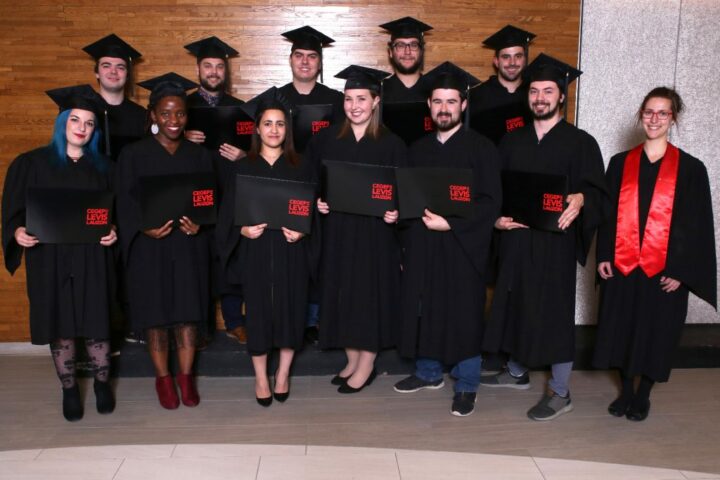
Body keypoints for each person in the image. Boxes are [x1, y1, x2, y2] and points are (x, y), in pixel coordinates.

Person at [481, 54, 608, 421]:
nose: (540, 98)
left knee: (553, 313)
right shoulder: (511, 141)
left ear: (561, 96)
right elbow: (495, 191)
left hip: (555, 243)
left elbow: (599, 193)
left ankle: (560, 391)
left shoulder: (581, 143)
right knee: (516, 303)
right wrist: (496, 220)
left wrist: (582, 198)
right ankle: (516, 371)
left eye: (548, 91)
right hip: (517, 240)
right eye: (534, 91)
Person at [593, 87, 716, 421]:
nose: (654, 119)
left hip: (664, 271)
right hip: (623, 265)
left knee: (656, 333)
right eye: (649, 111)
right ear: (641, 114)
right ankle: (626, 392)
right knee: (622, 328)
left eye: (663, 113)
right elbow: (607, 214)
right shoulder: (620, 164)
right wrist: (604, 254)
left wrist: (681, 271)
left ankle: (643, 395)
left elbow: (696, 226)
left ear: (673, 118)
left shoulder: (691, 169)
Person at [2, 85, 117, 421]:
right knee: (60, 322)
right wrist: (17, 232)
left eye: (90, 123)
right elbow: (13, 211)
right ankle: (69, 389)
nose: (82, 127)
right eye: (75, 119)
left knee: (96, 321)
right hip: (49, 257)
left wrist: (114, 231)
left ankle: (102, 383)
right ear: (62, 121)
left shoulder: (105, 168)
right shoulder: (31, 164)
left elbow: (117, 213)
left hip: (91, 257)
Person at [392, 63, 502, 417]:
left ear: (463, 105)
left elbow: (491, 202)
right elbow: (406, 198)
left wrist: (451, 224)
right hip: (423, 244)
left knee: (463, 312)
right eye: (438, 101)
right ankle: (428, 372)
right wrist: (403, 232)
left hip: (462, 247)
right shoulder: (416, 150)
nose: (444, 108)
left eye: (451, 101)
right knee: (425, 307)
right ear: (429, 105)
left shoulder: (482, 148)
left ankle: (467, 384)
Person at [116, 72, 212, 410]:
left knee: (187, 313)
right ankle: (163, 378)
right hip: (150, 247)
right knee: (155, 315)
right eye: (166, 113)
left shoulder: (198, 155)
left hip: (186, 245)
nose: (174, 120)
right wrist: (143, 228)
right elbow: (123, 201)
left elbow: (206, 198)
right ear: (153, 115)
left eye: (180, 113)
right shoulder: (133, 155)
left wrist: (200, 223)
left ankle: (186, 377)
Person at [307, 65, 405, 393]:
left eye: (361, 98)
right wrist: (318, 202)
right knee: (342, 294)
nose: (354, 106)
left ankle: (367, 363)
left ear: (375, 101)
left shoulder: (392, 144)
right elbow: (311, 181)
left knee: (368, 296)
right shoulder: (327, 139)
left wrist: (396, 211)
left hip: (375, 235)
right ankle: (351, 358)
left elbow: (405, 192)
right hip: (338, 230)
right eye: (348, 99)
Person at [216, 87, 317, 406]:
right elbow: (228, 214)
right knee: (258, 315)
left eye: (280, 124)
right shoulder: (242, 167)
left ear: (288, 130)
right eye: (268, 123)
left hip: (290, 250)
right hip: (256, 251)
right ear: (257, 129)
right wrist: (242, 230)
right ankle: (261, 377)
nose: (274, 129)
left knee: (291, 311)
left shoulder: (302, 166)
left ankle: (283, 374)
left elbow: (311, 212)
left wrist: (302, 232)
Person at [279, 26, 345, 344]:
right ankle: (294, 317)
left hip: (325, 186)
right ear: (290, 59)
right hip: (287, 184)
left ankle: (318, 318)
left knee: (323, 252)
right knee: (292, 252)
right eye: (299, 55)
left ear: (320, 63)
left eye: (312, 57)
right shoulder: (276, 98)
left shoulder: (336, 101)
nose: (305, 62)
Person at [184, 36, 247, 345]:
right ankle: (202, 326)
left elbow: (258, 149)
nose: (213, 72)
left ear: (226, 71)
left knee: (230, 256)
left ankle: (235, 322)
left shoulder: (240, 109)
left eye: (219, 67)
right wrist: (182, 136)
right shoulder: (182, 108)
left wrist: (243, 155)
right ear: (198, 69)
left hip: (228, 192)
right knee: (198, 260)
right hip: (194, 193)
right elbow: (157, 138)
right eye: (207, 66)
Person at [82, 34, 146, 161]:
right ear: (96, 73)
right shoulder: (83, 111)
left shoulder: (141, 115)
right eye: (106, 66)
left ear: (127, 75)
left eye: (120, 67)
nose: (113, 71)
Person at [468, 25, 535, 145]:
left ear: (525, 60)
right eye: (506, 57)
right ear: (496, 61)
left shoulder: (536, 95)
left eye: (518, 56)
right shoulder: (476, 97)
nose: (512, 63)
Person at [379, 17, 433, 102]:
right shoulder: (379, 92)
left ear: (421, 52)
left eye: (413, 45)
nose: (407, 52)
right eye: (400, 45)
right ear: (390, 52)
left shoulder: (436, 91)